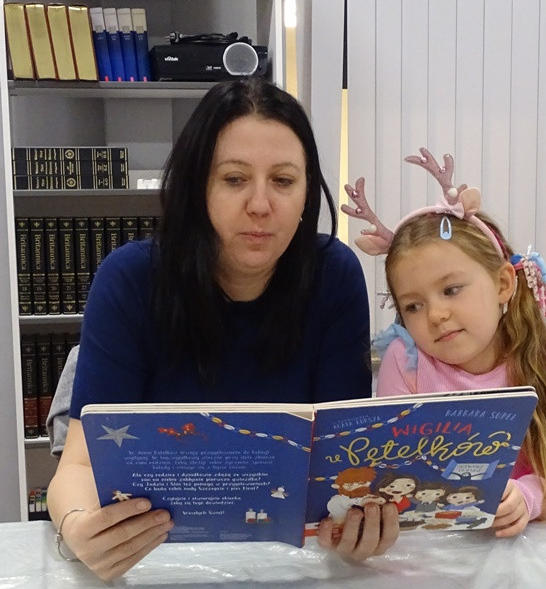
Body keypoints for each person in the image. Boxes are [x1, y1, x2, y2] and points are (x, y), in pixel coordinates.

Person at [46, 78, 399, 581]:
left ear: (306, 193)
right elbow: (79, 465)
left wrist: (360, 529)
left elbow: (341, 467)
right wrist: (80, 528)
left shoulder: (334, 276)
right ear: (198, 188)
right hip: (158, 563)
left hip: (290, 566)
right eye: (234, 179)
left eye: (283, 180)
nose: (260, 204)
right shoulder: (130, 279)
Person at [342, 147, 546, 539]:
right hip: (430, 548)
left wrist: (527, 497)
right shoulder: (405, 361)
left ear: (503, 284)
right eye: (413, 305)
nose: (435, 315)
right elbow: (390, 476)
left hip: (522, 546)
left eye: (452, 289)